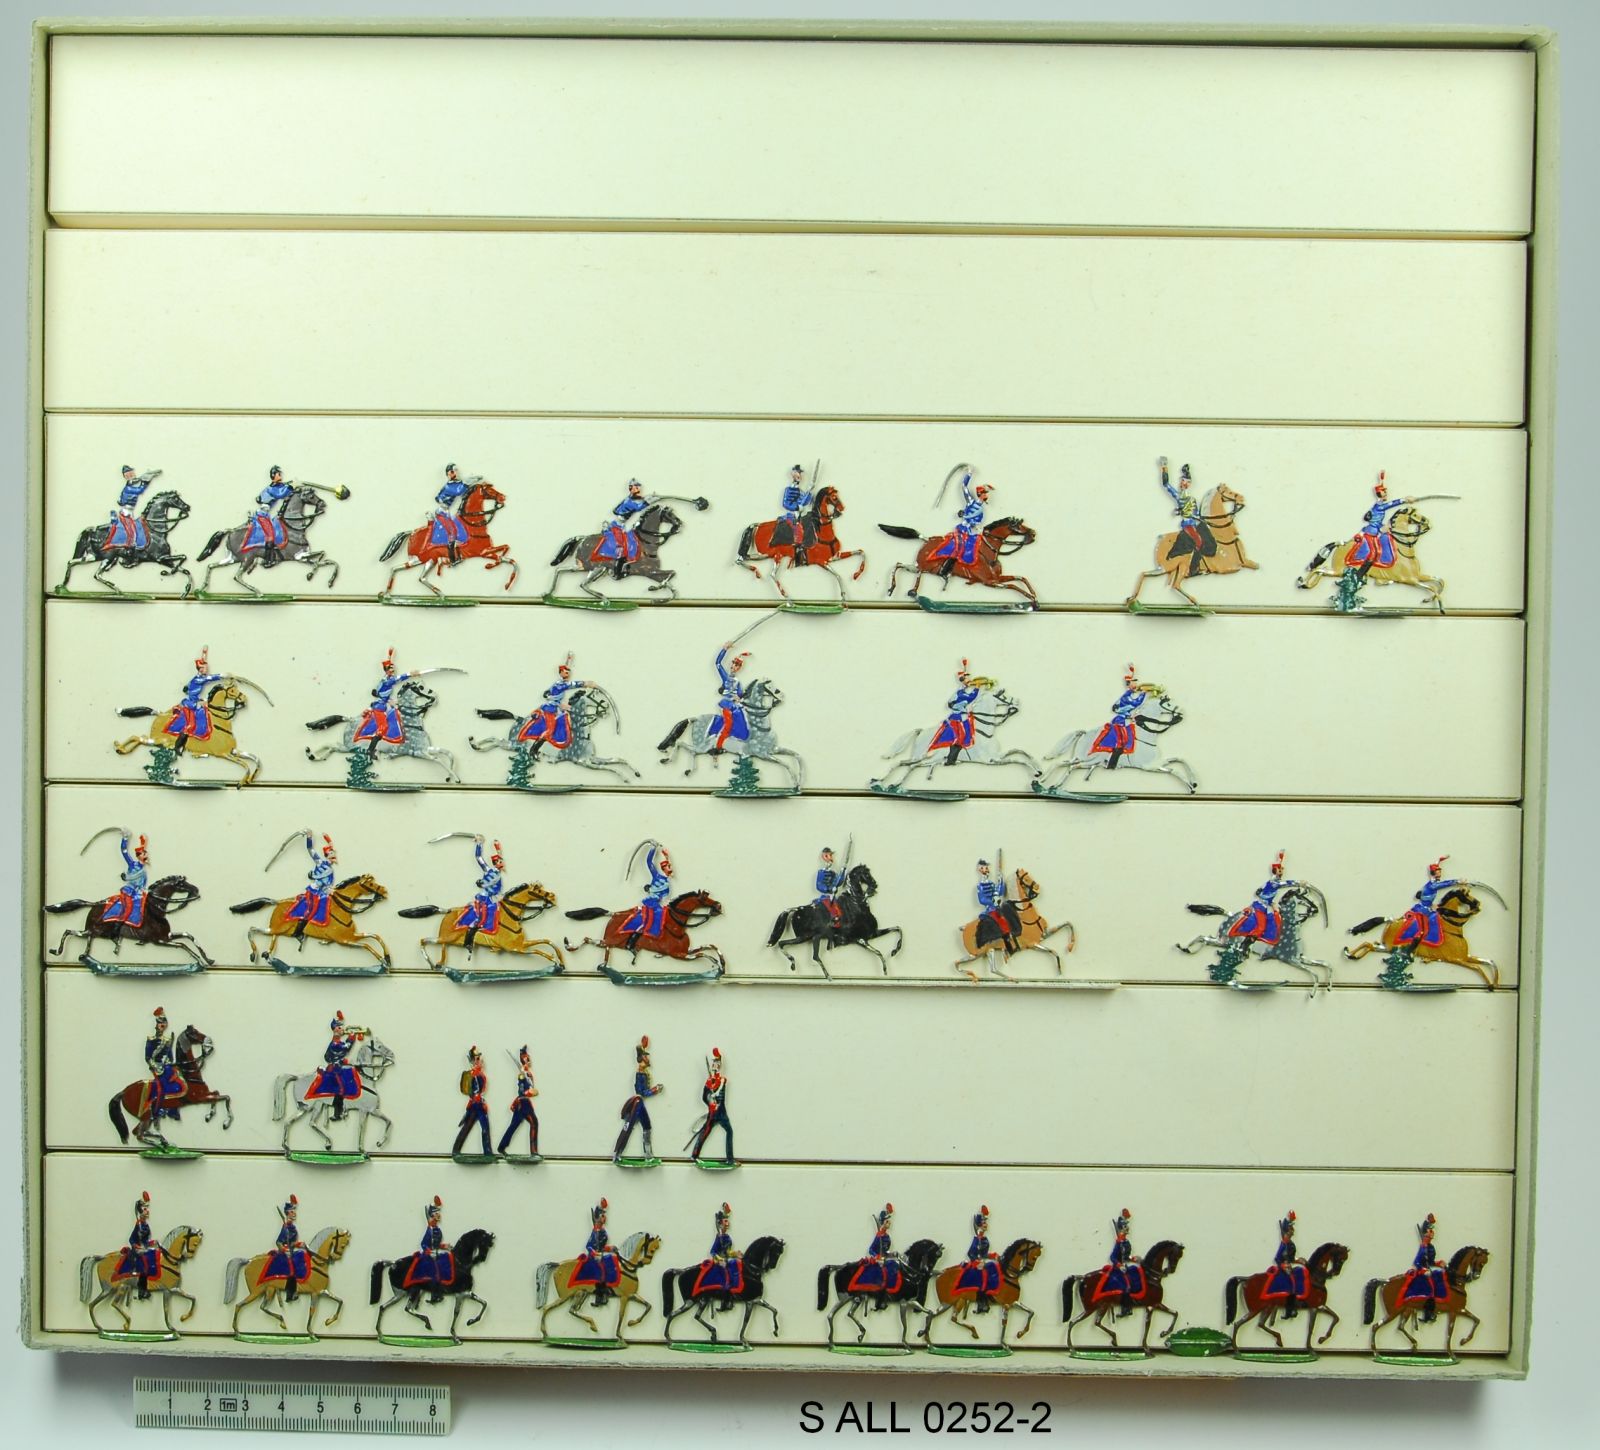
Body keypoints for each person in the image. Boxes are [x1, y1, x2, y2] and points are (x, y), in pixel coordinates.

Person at [517, 654, 588, 755]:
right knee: (550, 730)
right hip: (549, 709)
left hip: (555, 708)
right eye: (566, 672)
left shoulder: (560, 682)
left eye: (568, 673)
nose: (568, 674)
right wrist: (585, 683)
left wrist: (568, 660)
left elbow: (565, 674)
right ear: (561, 673)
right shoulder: (559, 685)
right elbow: (568, 685)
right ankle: (533, 751)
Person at [1345, 473, 1411, 576]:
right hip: (1371, 532)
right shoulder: (1379, 507)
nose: (1386, 494)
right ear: (1380, 494)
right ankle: (1360, 574)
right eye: (1384, 492)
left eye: (1386, 492)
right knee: (1373, 554)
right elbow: (1390, 505)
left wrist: (1381, 480)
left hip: (1375, 531)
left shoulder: (1379, 505)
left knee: (1379, 550)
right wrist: (1404, 500)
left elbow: (1377, 521)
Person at [1227, 851, 1295, 947]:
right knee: (1261, 927)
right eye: (1280, 870)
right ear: (1275, 870)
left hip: (1264, 906)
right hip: (1260, 906)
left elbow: (1261, 891)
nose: (1282, 871)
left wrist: (1280, 858)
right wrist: (1298, 883)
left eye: (1282, 869)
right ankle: (1244, 946)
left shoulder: (1274, 880)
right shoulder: (1274, 883)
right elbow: (1284, 884)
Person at [1396, 857, 1464, 950]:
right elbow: (1442, 884)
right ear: (1433, 873)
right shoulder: (1432, 885)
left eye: (1440, 871)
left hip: (1428, 907)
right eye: (1438, 872)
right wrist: (1457, 881)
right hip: (1422, 910)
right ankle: (1409, 950)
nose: (1440, 873)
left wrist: (1439, 861)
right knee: (1422, 932)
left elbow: (1435, 868)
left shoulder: (1434, 881)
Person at [614, 1036, 664, 1162]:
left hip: (640, 1103)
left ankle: (648, 1155)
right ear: (642, 1059)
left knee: (646, 1127)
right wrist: (655, 1090)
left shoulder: (643, 1072)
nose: (648, 1059)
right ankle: (617, 1154)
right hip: (637, 1103)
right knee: (629, 1127)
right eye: (646, 1056)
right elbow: (642, 1092)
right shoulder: (640, 1073)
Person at [1159, 457, 1215, 564]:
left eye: (1188, 481)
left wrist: (1200, 518)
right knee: (1198, 541)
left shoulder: (1192, 498)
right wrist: (1164, 467)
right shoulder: (1179, 496)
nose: (1185, 483)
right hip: (1188, 524)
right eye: (1183, 481)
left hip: (1196, 523)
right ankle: (1194, 565)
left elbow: (1196, 512)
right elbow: (1166, 484)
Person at [1090, 665, 1150, 766]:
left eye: (1135, 683)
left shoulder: (1129, 695)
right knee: (1122, 741)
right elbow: (1135, 703)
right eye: (1134, 683)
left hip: (1125, 719)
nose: (1136, 685)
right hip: (1120, 720)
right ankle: (1111, 761)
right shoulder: (1126, 696)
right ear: (1129, 684)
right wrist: (1143, 693)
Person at [931, 469, 990, 569]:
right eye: (985, 493)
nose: (987, 495)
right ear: (980, 494)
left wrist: (976, 526)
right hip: (961, 529)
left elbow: (977, 522)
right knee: (959, 548)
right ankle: (945, 569)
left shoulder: (981, 511)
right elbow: (964, 487)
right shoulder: (971, 502)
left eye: (986, 493)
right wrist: (969, 474)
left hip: (970, 532)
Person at [354, 649, 412, 750]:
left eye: (393, 669)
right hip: (379, 707)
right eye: (391, 669)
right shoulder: (386, 681)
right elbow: (396, 680)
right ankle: (370, 750)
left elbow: (385, 694)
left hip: (384, 705)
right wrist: (410, 674)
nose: (393, 671)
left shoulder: (386, 678)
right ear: (387, 670)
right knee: (383, 727)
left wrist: (389, 657)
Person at [308, 1012, 361, 1121]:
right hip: (335, 1069)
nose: (343, 1030)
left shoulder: (337, 1042)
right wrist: (351, 1038)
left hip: (338, 1067)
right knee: (341, 1088)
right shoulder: (335, 1044)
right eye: (340, 1028)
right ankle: (338, 1113)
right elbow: (346, 1048)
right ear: (335, 1030)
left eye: (342, 1028)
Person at [930, 660, 983, 765]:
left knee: (960, 741)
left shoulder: (962, 690)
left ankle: (952, 759)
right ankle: (950, 760)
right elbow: (970, 698)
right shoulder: (960, 693)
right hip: (957, 719)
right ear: (962, 680)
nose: (969, 680)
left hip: (961, 717)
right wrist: (976, 688)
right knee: (959, 740)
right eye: (967, 678)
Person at [166, 648, 224, 745]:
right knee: (195, 717)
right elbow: (209, 678)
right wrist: (222, 675)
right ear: (200, 669)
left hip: (195, 699)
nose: (207, 670)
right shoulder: (198, 679)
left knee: (204, 707)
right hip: (191, 701)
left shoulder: (200, 677)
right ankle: (190, 735)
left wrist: (204, 654)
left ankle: (201, 731)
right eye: (205, 668)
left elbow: (203, 665)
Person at [691, 1203, 743, 1310]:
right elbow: (713, 1251)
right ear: (720, 1224)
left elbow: (728, 1251)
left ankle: (734, 1289)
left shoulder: (727, 1238)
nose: (727, 1223)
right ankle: (725, 1294)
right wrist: (719, 1259)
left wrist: (735, 1254)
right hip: (718, 1260)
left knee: (735, 1264)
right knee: (725, 1271)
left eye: (728, 1221)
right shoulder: (719, 1238)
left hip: (726, 1260)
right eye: (725, 1221)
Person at [454, 837, 504, 948]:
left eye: (501, 861)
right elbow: (479, 857)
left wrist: (497, 848)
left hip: (492, 899)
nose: (501, 863)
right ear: (495, 863)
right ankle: (469, 941)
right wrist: (479, 844)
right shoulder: (488, 871)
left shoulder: (497, 874)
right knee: (479, 920)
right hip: (483, 898)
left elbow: (499, 856)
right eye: (498, 862)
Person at [572, 1200, 622, 1306]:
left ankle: (608, 1288)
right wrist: (594, 1253)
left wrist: (610, 1248)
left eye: (604, 1216)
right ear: (598, 1218)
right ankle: (600, 1294)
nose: (605, 1218)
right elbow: (588, 1246)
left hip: (600, 1255)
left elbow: (601, 1247)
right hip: (593, 1256)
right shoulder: (595, 1232)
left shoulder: (602, 1231)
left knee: (611, 1261)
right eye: (603, 1216)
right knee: (601, 1269)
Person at [623, 842, 673, 948]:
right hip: (652, 902)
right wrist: (653, 849)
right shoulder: (657, 876)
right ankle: (641, 936)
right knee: (655, 916)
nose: (670, 869)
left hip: (658, 902)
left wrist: (666, 856)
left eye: (669, 867)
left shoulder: (666, 881)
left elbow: (665, 894)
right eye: (668, 867)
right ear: (663, 868)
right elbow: (649, 862)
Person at [594, 478, 651, 572]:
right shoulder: (628, 502)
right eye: (636, 487)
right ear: (631, 488)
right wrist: (648, 502)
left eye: (638, 487)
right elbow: (638, 508)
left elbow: (637, 499)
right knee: (621, 545)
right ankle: (616, 567)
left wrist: (646, 499)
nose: (638, 489)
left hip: (622, 525)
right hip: (617, 525)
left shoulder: (630, 499)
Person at [286, 833, 336, 939]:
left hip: (323, 893)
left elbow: (327, 883)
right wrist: (309, 837)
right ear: (327, 855)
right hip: (314, 891)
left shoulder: (330, 869)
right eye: (331, 853)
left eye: (333, 854)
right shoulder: (320, 863)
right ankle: (298, 932)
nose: (334, 856)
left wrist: (329, 841)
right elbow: (310, 849)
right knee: (311, 910)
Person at [262, 1195, 309, 1303]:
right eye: (292, 1212)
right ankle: (290, 1293)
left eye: (294, 1211)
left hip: (291, 1252)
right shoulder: (285, 1228)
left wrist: (298, 1244)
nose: (294, 1213)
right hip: (284, 1254)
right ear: (287, 1213)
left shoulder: (292, 1228)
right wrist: (284, 1249)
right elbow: (278, 1242)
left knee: (301, 1256)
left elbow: (292, 1242)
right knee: (292, 1269)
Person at [689, 1047, 733, 1163]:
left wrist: (715, 1095)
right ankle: (694, 1156)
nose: (715, 1065)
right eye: (714, 1062)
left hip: (722, 1113)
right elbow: (704, 1097)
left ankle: (730, 1159)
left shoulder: (722, 1080)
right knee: (704, 1132)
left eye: (718, 1062)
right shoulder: (709, 1082)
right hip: (713, 1113)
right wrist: (710, 1101)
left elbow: (720, 1093)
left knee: (729, 1132)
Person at [956, 1205, 1002, 1313]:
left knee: (993, 1267)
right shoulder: (977, 1239)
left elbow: (983, 1253)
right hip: (975, 1264)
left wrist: (993, 1256)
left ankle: (991, 1295)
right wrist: (976, 1262)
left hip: (982, 1262)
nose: (986, 1225)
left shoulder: (984, 1238)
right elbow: (971, 1253)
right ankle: (981, 1302)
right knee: (984, 1275)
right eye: (984, 1223)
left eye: (986, 1223)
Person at [243, 465, 295, 562]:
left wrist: (290, 486)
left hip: (267, 515)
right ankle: (267, 560)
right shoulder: (270, 489)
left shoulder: (276, 486)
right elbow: (280, 494)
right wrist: (291, 487)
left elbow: (282, 489)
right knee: (270, 536)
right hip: (262, 515)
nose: (280, 476)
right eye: (278, 474)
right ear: (273, 475)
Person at [848, 1203, 901, 1296]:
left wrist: (892, 1254)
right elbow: (871, 1249)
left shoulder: (887, 1237)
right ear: (883, 1223)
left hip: (884, 1260)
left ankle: (890, 1290)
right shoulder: (878, 1237)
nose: (889, 1224)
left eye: (889, 1222)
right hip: (877, 1261)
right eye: (887, 1222)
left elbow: (885, 1252)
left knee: (894, 1265)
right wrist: (877, 1257)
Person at [101, 831, 150, 930]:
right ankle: (117, 928)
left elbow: (143, 885)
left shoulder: (144, 872)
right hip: (128, 891)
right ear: (139, 856)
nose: (146, 856)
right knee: (128, 908)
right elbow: (124, 852)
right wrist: (125, 838)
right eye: (144, 854)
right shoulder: (132, 865)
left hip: (137, 893)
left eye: (146, 854)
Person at [1404, 1213, 1447, 1323]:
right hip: (1421, 1273)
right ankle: (1428, 1313)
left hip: (1428, 1271)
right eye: (1428, 1234)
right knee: (1430, 1289)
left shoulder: (1430, 1247)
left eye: (1431, 1235)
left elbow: (1430, 1262)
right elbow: (1417, 1262)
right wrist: (1423, 1270)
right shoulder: (1423, 1247)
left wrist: (1438, 1263)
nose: (1430, 1236)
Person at [144, 1007, 184, 1124]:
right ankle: (157, 1111)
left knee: (178, 1084)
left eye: (163, 1024)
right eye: (160, 1024)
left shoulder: (167, 1040)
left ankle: (172, 1108)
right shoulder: (151, 1040)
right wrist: (155, 1066)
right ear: (156, 1025)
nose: (161, 1026)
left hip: (166, 1067)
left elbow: (170, 1057)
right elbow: (147, 1057)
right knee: (161, 1087)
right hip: (156, 1068)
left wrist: (170, 1063)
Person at [497, 1045, 539, 1156]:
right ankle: (501, 1147)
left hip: (527, 1103)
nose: (529, 1061)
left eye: (529, 1059)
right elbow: (521, 1091)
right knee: (514, 1125)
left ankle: (534, 1152)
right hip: (522, 1104)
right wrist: (529, 1092)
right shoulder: (522, 1075)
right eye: (527, 1060)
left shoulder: (529, 1074)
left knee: (534, 1123)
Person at [407, 1197, 451, 1302]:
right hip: (428, 1255)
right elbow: (423, 1244)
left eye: (438, 1213)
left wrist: (445, 1246)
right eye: (436, 1214)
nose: (439, 1215)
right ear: (432, 1216)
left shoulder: (438, 1230)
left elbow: (437, 1244)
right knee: (434, 1270)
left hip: (435, 1253)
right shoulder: (429, 1230)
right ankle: (434, 1295)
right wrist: (429, 1252)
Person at [710, 644, 751, 755]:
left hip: (735, 706)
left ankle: (737, 742)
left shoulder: (738, 682)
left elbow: (740, 694)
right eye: (734, 664)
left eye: (737, 666)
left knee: (744, 719)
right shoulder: (725, 677)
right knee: (728, 724)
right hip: (726, 705)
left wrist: (741, 697)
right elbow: (718, 663)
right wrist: (724, 649)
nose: (734, 667)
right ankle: (718, 746)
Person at [1100, 1209, 1141, 1317]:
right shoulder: (1118, 1244)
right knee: (1126, 1286)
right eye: (1125, 1227)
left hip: (1125, 1267)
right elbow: (1113, 1257)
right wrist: (1119, 1265)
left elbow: (1126, 1257)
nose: (1127, 1229)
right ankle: (1125, 1308)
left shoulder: (1126, 1242)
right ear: (1121, 1229)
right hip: (1117, 1269)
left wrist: (1133, 1258)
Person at [428, 464, 474, 562]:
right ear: (448, 473)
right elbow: (458, 492)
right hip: (442, 513)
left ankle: (459, 552)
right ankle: (452, 559)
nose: (455, 473)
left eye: (456, 470)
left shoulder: (457, 483)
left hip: (449, 512)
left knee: (460, 529)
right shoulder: (449, 486)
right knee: (452, 532)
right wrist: (466, 484)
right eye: (453, 471)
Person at [452, 1047, 491, 1156]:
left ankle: (487, 1152)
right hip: (475, 1105)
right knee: (467, 1128)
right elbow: (474, 1091)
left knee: (484, 1127)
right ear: (473, 1061)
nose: (480, 1061)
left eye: (479, 1058)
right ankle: (456, 1150)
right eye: (478, 1059)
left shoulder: (479, 1074)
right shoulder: (473, 1075)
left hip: (479, 1104)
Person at [119, 1191, 159, 1300]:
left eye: (147, 1209)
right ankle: (142, 1290)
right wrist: (135, 1246)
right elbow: (131, 1239)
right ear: (141, 1212)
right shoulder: (139, 1225)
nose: (147, 1211)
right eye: (145, 1209)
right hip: (138, 1250)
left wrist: (152, 1243)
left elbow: (146, 1240)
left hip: (144, 1248)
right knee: (144, 1265)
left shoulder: (145, 1225)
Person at [109, 464, 159, 549]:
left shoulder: (130, 486)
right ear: (126, 476)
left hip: (130, 512)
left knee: (135, 528)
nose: (133, 475)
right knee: (132, 532)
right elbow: (140, 490)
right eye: (130, 474)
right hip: (126, 512)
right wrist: (146, 481)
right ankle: (129, 547)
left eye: (132, 473)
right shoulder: (128, 488)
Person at [1266, 1211, 1305, 1318]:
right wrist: (1282, 1265)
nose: (1292, 1232)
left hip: (1289, 1267)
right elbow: (1277, 1258)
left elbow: (1291, 1258)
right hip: (1284, 1269)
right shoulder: (1284, 1244)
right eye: (1290, 1230)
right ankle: (1289, 1310)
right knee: (1292, 1285)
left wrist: (1298, 1260)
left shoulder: (1291, 1244)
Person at [975, 858, 1018, 954]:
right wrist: (993, 902)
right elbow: (982, 899)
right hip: (990, 909)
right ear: (980, 870)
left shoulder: (991, 883)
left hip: (997, 907)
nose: (986, 871)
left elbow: (1000, 892)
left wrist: (1001, 881)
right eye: (984, 868)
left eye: (987, 868)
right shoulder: (980, 886)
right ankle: (1007, 941)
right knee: (1001, 920)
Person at [776, 464, 812, 550]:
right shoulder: (789, 490)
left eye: (800, 473)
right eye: (798, 473)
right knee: (797, 529)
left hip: (800, 515)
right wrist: (797, 507)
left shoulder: (800, 491)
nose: (799, 475)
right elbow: (786, 504)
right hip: (792, 515)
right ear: (793, 475)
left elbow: (805, 502)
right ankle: (797, 548)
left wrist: (809, 491)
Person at [813, 847, 844, 927]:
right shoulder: (821, 872)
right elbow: (819, 885)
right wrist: (829, 889)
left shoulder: (833, 873)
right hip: (825, 896)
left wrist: (843, 871)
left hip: (832, 896)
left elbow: (838, 882)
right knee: (831, 908)